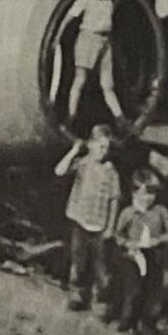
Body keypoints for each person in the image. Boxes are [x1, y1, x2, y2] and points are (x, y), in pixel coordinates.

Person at [54, 124, 121, 318]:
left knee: (102, 267)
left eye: (107, 148)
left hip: (99, 225)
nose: (103, 151)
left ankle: (102, 301)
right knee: (78, 262)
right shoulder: (82, 164)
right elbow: (59, 171)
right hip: (80, 221)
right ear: (90, 145)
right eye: (100, 146)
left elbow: (114, 200)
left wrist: (110, 226)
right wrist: (74, 149)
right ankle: (77, 295)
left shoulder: (111, 172)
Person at [61, 0, 124, 127]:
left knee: (108, 84)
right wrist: (57, 37)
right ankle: (71, 116)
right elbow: (69, 17)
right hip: (88, 39)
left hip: (104, 42)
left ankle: (121, 119)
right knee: (80, 79)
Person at [114, 169, 168, 335]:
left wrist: (160, 240)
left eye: (152, 194)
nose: (147, 199)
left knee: (153, 291)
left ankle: (147, 323)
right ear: (134, 193)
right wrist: (128, 244)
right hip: (133, 256)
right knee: (133, 290)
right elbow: (118, 235)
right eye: (143, 194)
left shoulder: (160, 212)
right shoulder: (128, 213)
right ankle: (127, 321)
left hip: (154, 255)